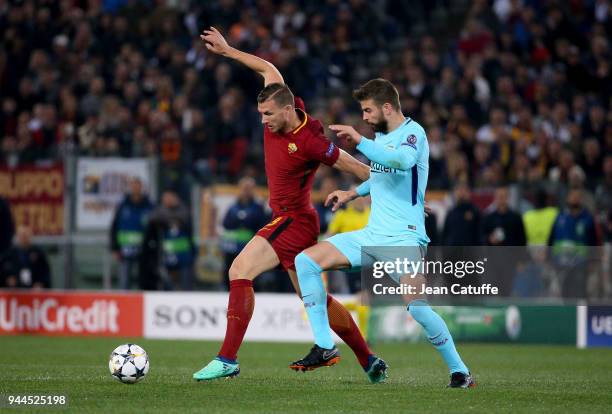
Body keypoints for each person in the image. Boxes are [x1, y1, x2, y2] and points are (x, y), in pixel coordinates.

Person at [193, 27, 385, 383]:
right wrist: (228, 51)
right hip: (292, 221)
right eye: (261, 113)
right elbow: (268, 70)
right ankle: (369, 359)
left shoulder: (310, 142)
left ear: (285, 110)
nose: (263, 121)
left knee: (239, 269)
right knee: (316, 300)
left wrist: (394, 192)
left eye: (267, 115)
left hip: (293, 220)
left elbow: (352, 165)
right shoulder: (283, 104)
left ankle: (227, 359)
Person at [291, 78, 474, 388]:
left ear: (387, 107)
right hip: (371, 235)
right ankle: (324, 346)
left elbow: (401, 163)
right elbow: (381, 174)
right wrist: (353, 193)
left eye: (367, 110)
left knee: (417, 307)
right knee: (305, 261)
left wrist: (360, 141)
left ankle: (460, 372)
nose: (364, 117)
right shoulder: (381, 136)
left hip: (405, 238)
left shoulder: (413, 133)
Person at [220, 176, 269, 290]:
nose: (246, 191)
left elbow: (263, 224)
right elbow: (226, 224)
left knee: (251, 274)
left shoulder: (259, 208)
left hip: (251, 247)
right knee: (231, 271)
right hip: (233, 248)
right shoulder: (232, 207)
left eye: (249, 188)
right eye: (244, 188)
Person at [110, 177, 154, 289]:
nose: (135, 188)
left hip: (143, 250)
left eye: (137, 185)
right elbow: (114, 227)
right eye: (133, 186)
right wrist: (114, 248)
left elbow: (153, 228)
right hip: (125, 249)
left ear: (141, 187)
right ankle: (125, 302)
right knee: (125, 279)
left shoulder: (149, 205)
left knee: (143, 278)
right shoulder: (123, 205)